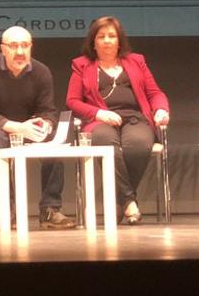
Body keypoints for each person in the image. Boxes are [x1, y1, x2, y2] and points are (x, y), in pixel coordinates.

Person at [0, 26, 77, 230]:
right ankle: (7, 211)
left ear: (31, 47)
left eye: (25, 46)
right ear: (3, 48)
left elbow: (48, 110)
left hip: (27, 127)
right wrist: (18, 128)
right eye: (14, 46)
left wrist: (46, 124)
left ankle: (50, 209)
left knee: (54, 141)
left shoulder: (41, 71)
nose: (20, 51)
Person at [66, 16, 169, 225]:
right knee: (106, 144)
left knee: (138, 146)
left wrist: (160, 109)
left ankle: (119, 202)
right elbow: (73, 100)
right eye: (101, 36)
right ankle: (130, 202)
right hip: (100, 121)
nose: (107, 40)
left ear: (119, 41)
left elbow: (155, 92)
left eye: (111, 36)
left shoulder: (136, 61)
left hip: (135, 119)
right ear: (93, 42)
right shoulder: (82, 65)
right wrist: (98, 113)